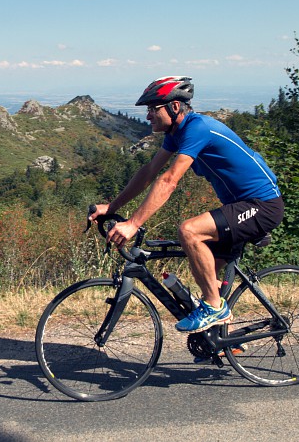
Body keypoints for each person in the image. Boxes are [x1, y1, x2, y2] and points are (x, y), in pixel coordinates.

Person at [89, 76, 284, 333]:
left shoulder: (198, 128)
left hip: (262, 205)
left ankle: (215, 308)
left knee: (189, 231)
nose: (148, 116)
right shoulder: (176, 134)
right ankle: (223, 342)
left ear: (175, 107)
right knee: (204, 273)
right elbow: (149, 172)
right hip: (241, 206)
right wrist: (112, 208)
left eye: (152, 109)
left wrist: (134, 224)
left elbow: (169, 181)